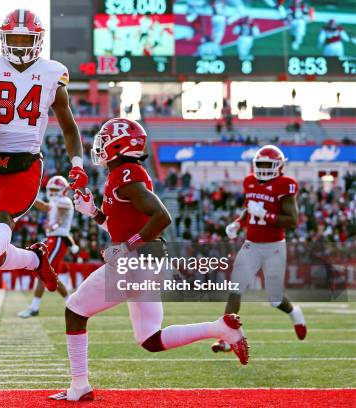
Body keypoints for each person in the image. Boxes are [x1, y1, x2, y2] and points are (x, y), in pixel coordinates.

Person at [49, 119, 249, 402]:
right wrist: (93, 212)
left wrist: (127, 248)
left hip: (136, 261)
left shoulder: (126, 173)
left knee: (75, 311)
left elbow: (162, 217)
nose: (101, 146)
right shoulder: (123, 174)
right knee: (151, 339)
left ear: (119, 145)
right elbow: (122, 226)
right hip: (148, 260)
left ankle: (79, 385)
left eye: (105, 140)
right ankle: (220, 328)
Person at [0, 9, 87, 295]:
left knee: (3, 218)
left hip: (26, 160)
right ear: (3, 38)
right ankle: (36, 259)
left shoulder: (52, 73)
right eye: (14, 38)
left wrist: (77, 164)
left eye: (26, 38)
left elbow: (69, 127)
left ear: (38, 40)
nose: (20, 45)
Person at [213, 145, 306, 352]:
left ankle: (294, 312)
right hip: (251, 244)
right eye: (260, 164)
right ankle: (228, 338)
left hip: (274, 246)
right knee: (235, 290)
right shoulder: (250, 181)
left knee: (274, 299)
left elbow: (292, 221)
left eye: (268, 165)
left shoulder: (286, 185)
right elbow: (249, 208)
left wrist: (266, 215)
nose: (263, 169)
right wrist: (238, 222)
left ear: (279, 166)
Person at [18, 176, 77, 318]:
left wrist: (55, 225)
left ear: (63, 190)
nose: (53, 192)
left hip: (58, 238)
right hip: (53, 239)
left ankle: (34, 308)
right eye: (51, 189)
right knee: (49, 274)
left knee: (43, 272)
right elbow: (44, 206)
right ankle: (72, 303)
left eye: (56, 189)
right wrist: (30, 198)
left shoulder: (65, 201)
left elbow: (61, 217)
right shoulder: (55, 201)